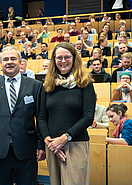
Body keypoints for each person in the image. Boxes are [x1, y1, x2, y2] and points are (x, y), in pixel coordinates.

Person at [0, 46, 45, 185]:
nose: (9, 62)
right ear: (1, 64)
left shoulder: (35, 85)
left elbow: (41, 117)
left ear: (20, 62)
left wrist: (41, 145)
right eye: (5, 59)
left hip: (27, 149)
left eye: (13, 59)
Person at [39, 42, 96, 185]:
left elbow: (88, 117)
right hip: (53, 147)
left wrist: (64, 138)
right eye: (59, 58)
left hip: (76, 144)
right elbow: (41, 117)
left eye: (67, 57)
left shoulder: (85, 83)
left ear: (74, 58)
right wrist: (49, 141)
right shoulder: (47, 85)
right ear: (54, 60)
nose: (63, 61)